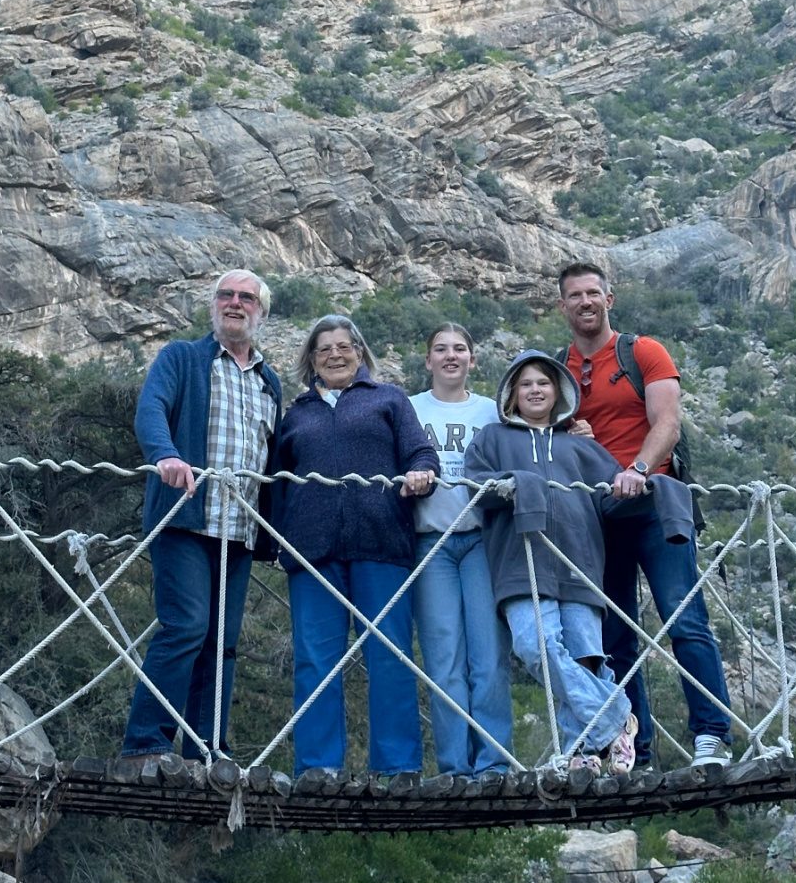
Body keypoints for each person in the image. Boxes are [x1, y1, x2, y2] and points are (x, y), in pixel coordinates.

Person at [555, 260, 733, 768]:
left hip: (654, 503)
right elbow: (537, 436)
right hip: (594, 517)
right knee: (614, 635)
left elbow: (668, 422)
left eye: (594, 293)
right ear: (562, 305)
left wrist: (637, 468)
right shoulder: (554, 369)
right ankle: (638, 749)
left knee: (683, 616)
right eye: (575, 295)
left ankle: (711, 734)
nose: (585, 302)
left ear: (609, 300)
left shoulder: (644, 352)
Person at [119, 269, 282, 764]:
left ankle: (206, 748)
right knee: (187, 626)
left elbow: (275, 458)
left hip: (240, 531)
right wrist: (166, 454)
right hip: (186, 519)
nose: (235, 303)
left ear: (262, 312)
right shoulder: (182, 358)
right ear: (213, 305)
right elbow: (151, 409)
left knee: (223, 644)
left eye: (247, 297)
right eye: (226, 295)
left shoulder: (270, 381)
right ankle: (145, 742)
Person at [274, 314, 440, 776]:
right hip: (311, 552)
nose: (334, 354)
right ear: (311, 359)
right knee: (315, 661)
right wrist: (279, 544)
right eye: (324, 348)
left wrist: (422, 476)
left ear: (361, 352)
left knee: (389, 656)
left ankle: (398, 768)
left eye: (344, 345)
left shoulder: (389, 399)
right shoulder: (296, 415)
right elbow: (277, 484)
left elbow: (421, 453)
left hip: (381, 543)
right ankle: (318, 767)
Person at [464, 350, 641, 774]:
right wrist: (511, 483)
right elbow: (475, 486)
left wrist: (643, 485)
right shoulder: (492, 438)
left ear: (558, 392)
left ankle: (581, 755)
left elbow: (613, 497)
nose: (535, 390)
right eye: (525, 384)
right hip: (519, 563)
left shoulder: (580, 446)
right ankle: (617, 719)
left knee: (585, 657)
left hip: (580, 563)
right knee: (534, 645)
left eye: (543, 382)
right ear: (511, 395)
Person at [409, 322, 512, 775]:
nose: (451, 356)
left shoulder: (492, 412)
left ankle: (493, 762)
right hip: (430, 543)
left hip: (481, 541)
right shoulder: (407, 409)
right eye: (441, 349)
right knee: (443, 657)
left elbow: (535, 439)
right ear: (427, 360)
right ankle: (454, 767)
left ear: (473, 359)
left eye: (460, 349)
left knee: (488, 656)